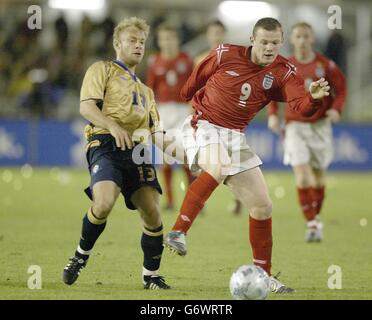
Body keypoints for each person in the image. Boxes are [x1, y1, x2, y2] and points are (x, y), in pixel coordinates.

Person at [163, 17, 330, 293]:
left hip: (235, 136)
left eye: (275, 43)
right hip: (203, 125)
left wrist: (312, 97)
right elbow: (189, 87)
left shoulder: (284, 71)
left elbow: (301, 107)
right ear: (253, 40)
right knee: (217, 166)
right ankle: (179, 231)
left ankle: (264, 276)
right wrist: (196, 97)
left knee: (263, 206)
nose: (269, 48)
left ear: (281, 42)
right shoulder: (224, 54)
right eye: (264, 42)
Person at [62, 17, 173, 290]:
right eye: (132, 40)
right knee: (103, 203)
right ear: (117, 43)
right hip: (105, 145)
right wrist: (112, 126)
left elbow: (158, 134)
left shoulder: (147, 92)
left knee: (153, 213)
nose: (138, 46)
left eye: (142, 42)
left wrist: (189, 157)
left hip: (136, 152)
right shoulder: (102, 69)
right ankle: (80, 256)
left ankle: (151, 276)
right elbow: (87, 108)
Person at [267, 22, 347, 242]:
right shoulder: (285, 66)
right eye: (298, 36)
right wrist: (273, 114)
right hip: (294, 126)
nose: (302, 40)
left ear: (312, 39)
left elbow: (341, 89)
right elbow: (273, 92)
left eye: (305, 36)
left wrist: (336, 109)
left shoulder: (326, 65)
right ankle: (312, 225)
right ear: (291, 40)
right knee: (303, 177)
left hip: (320, 126)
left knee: (319, 179)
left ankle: (315, 216)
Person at [194, 20, 243, 216]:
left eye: (219, 33)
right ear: (208, 36)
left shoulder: (235, 59)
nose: (216, 37)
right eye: (213, 33)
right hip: (205, 119)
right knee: (204, 162)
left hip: (229, 119)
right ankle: (198, 202)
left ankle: (238, 197)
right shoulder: (199, 59)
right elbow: (194, 88)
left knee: (232, 162)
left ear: (224, 35)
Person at [146, 23, 194, 211]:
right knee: (166, 156)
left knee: (185, 155)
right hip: (164, 110)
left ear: (177, 39)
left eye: (171, 38)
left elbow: (195, 84)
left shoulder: (187, 60)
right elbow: (150, 89)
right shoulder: (155, 62)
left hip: (184, 109)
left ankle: (192, 201)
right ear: (159, 41)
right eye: (164, 39)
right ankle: (170, 200)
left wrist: (193, 105)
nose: (167, 42)